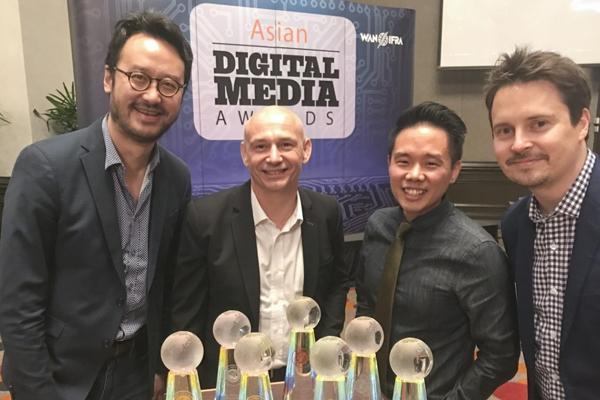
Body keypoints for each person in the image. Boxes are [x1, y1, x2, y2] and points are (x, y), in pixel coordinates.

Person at [0, 11, 192, 400]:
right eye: (138, 77)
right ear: (108, 78)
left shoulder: (176, 178)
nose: (152, 96)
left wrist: (160, 369)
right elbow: (19, 302)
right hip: (62, 379)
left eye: (169, 85)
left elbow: (169, 285)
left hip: (139, 375)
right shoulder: (45, 168)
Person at [169, 105, 351, 388]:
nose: (274, 157)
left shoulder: (327, 213)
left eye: (286, 145)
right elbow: (187, 312)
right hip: (232, 382)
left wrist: (323, 349)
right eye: (261, 146)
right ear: (245, 153)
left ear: (306, 150)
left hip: (305, 378)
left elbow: (337, 284)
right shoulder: (205, 219)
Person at [356, 101, 519, 399]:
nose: (414, 175)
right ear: (389, 162)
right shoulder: (378, 226)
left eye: (431, 164)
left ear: (454, 170)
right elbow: (367, 306)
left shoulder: (477, 251)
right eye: (403, 161)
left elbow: (501, 356)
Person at [485, 47, 599, 400]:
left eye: (539, 124)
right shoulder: (517, 224)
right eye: (505, 130)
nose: (519, 144)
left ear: (582, 123)